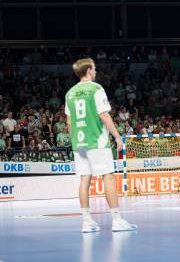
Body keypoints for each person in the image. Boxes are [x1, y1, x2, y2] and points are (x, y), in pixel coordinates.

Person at [65, 58, 137, 233]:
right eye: (94, 68)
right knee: (108, 177)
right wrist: (117, 137)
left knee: (84, 180)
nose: (96, 71)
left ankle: (86, 221)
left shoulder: (70, 93)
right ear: (89, 70)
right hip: (97, 141)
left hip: (79, 142)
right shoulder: (96, 89)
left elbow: (69, 123)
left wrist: (76, 140)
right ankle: (117, 220)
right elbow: (104, 115)